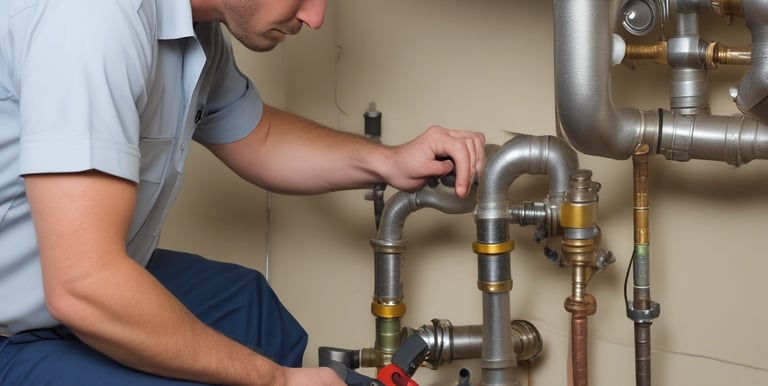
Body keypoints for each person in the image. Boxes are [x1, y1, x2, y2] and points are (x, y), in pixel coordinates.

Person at [0, 0, 486, 385]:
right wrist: (275, 380)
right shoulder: (91, 20)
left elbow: (260, 137)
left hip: (65, 285)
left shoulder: (196, 32)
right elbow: (84, 285)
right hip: (22, 322)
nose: (315, 17)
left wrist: (389, 161)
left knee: (248, 305)